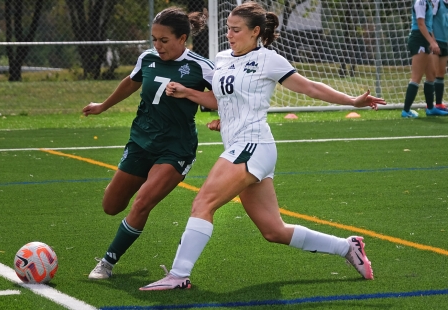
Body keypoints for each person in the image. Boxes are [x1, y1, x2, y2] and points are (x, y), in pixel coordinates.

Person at [140, 1, 386, 291]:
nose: (230, 35)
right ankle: (348, 247)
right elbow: (222, 101)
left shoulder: (269, 59)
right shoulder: (221, 58)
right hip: (241, 147)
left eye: (236, 30)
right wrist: (190, 94)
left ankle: (179, 275)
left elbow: (311, 88)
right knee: (274, 230)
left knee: (202, 203)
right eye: (228, 29)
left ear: (256, 31)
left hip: (252, 145)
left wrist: (352, 100)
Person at [81, 7, 215, 280]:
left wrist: (212, 109)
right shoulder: (148, 59)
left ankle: (107, 262)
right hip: (141, 141)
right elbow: (131, 83)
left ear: (182, 38)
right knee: (111, 206)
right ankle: (143, 178)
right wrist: (103, 106)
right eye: (154, 39)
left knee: (142, 203)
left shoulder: (202, 66)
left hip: (176, 147)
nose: (158, 45)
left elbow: (221, 98)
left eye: (164, 40)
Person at [402, 0, 448, 118]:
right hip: (418, 39)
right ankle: (406, 110)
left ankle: (431, 108)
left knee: (431, 74)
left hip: (425, 40)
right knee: (416, 77)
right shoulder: (420, 2)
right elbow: (421, 24)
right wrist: (432, 41)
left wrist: (433, 42)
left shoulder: (428, 3)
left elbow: (428, 26)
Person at [430, 0, 448, 111]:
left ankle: (439, 104)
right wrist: (432, 40)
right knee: (432, 73)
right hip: (436, 42)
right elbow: (429, 20)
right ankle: (430, 105)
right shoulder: (437, 2)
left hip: (446, 42)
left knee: (441, 72)